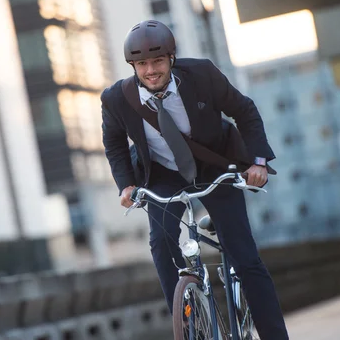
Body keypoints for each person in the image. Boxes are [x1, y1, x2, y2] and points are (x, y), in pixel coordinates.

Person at [100, 20, 289, 339]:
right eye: (142, 64)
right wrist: (126, 185)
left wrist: (257, 162)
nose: (150, 70)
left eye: (157, 61)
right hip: (162, 174)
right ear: (132, 65)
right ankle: (187, 322)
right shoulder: (117, 99)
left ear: (171, 59)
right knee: (160, 243)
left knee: (244, 257)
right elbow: (115, 144)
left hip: (216, 168)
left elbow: (244, 112)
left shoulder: (202, 75)